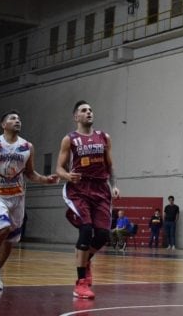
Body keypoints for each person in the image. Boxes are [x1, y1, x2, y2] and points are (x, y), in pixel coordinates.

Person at [0, 110, 58, 291]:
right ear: (3, 124)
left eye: (19, 118)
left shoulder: (27, 147)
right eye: (12, 118)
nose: (17, 120)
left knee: (11, 240)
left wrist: (45, 179)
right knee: (3, 228)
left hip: (17, 196)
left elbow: (30, 173)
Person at [56, 100, 119, 299]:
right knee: (86, 229)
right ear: (76, 117)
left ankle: (85, 259)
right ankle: (81, 283)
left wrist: (114, 185)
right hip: (79, 188)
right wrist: (67, 176)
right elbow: (59, 168)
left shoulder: (104, 137)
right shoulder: (70, 139)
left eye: (91, 109)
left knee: (103, 235)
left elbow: (110, 165)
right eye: (84, 110)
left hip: (101, 188)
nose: (89, 112)